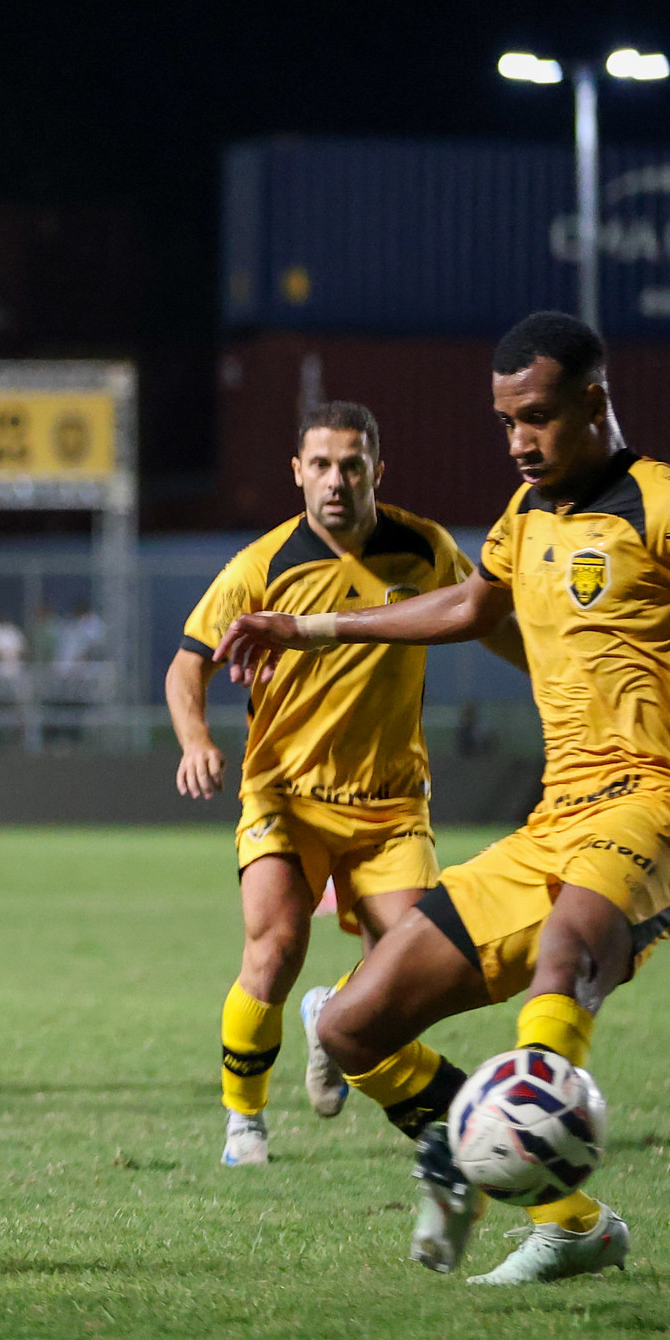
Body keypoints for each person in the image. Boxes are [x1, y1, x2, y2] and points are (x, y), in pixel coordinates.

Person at [216, 312, 670, 1283]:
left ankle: (486, 1146)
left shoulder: (666, 507)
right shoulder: (523, 518)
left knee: (564, 952)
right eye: (503, 423)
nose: (518, 440)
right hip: (554, 818)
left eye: (533, 416)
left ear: (591, 401)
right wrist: (310, 628)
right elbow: (468, 605)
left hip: (663, 806)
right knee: (351, 1026)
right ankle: (566, 1216)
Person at [167, 401, 524, 1167]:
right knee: (275, 942)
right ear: (297, 472)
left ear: (377, 470)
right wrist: (195, 737)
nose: (336, 479)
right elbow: (186, 662)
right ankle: (246, 1121)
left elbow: (488, 621)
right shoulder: (260, 567)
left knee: (408, 971)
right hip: (285, 795)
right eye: (321, 465)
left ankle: (331, 1015)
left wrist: (564, 679)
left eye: (351, 464)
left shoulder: (425, 548)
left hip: (392, 803)